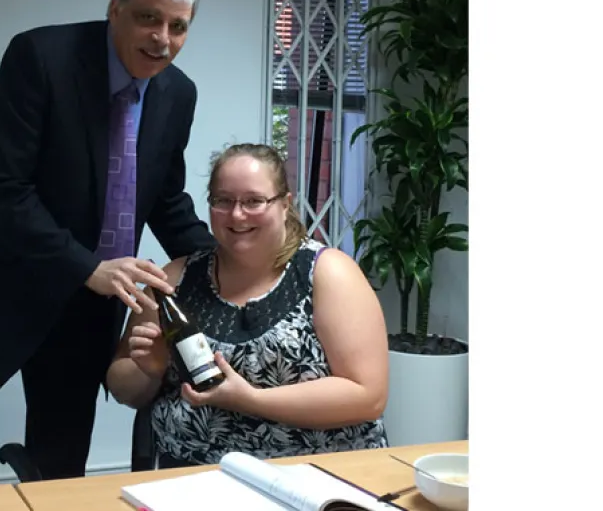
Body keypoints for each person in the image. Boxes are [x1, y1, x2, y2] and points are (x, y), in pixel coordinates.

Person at [0, 0, 216, 480]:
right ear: (115, 7)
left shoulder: (178, 92)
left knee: (61, 460)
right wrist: (87, 266)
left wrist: (237, 259)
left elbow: (165, 199)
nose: (162, 38)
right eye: (149, 17)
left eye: (178, 26)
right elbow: (5, 191)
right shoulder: (40, 57)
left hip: (89, 303)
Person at [105, 143, 390, 468]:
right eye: (223, 201)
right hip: (189, 481)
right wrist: (150, 373)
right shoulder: (174, 279)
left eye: (253, 201)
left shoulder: (328, 273)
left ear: (285, 204)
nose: (237, 214)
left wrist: (251, 400)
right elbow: (122, 386)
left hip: (310, 480)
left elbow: (368, 396)